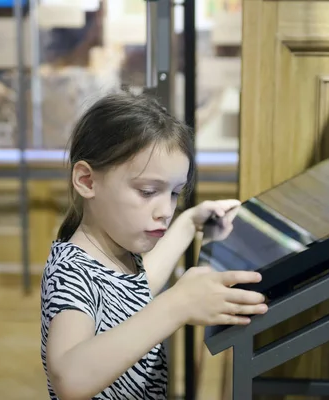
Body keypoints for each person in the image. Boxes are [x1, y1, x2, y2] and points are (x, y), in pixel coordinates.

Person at [40, 91, 268, 400]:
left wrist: (190, 222)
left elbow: (139, 287)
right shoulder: (72, 271)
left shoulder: (119, 255)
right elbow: (70, 378)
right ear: (87, 181)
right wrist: (178, 304)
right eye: (148, 191)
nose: (165, 210)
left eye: (174, 193)